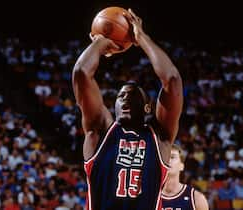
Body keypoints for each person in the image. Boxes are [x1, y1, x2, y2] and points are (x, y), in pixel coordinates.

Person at [72, 8, 183, 210]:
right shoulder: (100, 130)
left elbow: (172, 80)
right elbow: (81, 73)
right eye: (120, 96)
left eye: (132, 95)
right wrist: (100, 42)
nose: (124, 99)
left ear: (148, 107)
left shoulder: (160, 136)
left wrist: (141, 38)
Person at [161, 144, 209, 210]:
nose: (168, 160)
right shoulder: (149, 196)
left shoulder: (197, 198)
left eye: (172, 157)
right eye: (164, 157)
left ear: (182, 166)